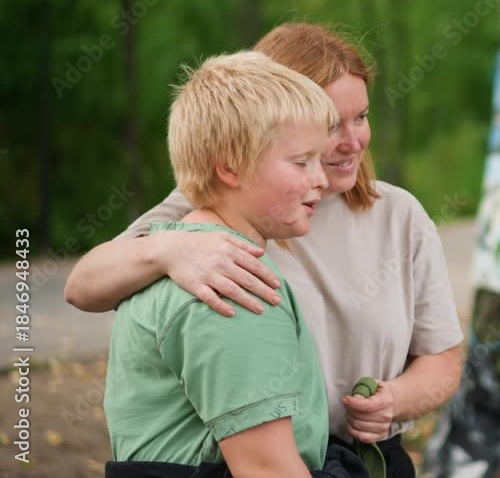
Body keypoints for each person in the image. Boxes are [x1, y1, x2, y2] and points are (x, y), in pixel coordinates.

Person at [66, 23, 465, 478]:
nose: (353, 140)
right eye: (332, 125)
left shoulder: (399, 215)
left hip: (364, 458)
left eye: (361, 117)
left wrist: (395, 399)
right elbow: (81, 287)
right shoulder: (216, 207)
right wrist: (167, 250)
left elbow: (443, 356)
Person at [103, 51, 366, 478]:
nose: (320, 179)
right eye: (302, 162)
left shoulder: (173, 254)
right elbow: (266, 469)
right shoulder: (233, 285)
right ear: (229, 167)